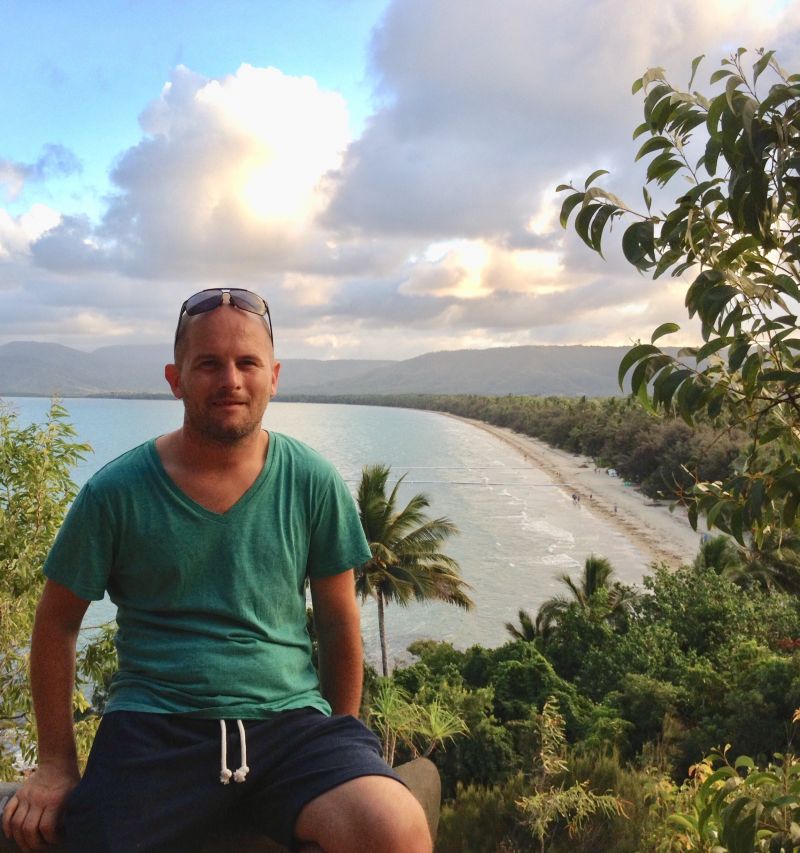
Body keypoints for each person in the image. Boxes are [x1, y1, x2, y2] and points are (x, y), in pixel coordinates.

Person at [2, 288, 432, 853]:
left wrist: (342, 737)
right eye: (208, 364)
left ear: (273, 377)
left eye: (247, 362)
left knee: (394, 826)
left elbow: (337, 623)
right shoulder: (116, 493)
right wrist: (56, 763)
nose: (231, 379)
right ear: (175, 379)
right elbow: (57, 622)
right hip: (153, 729)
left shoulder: (312, 481)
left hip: (292, 726)